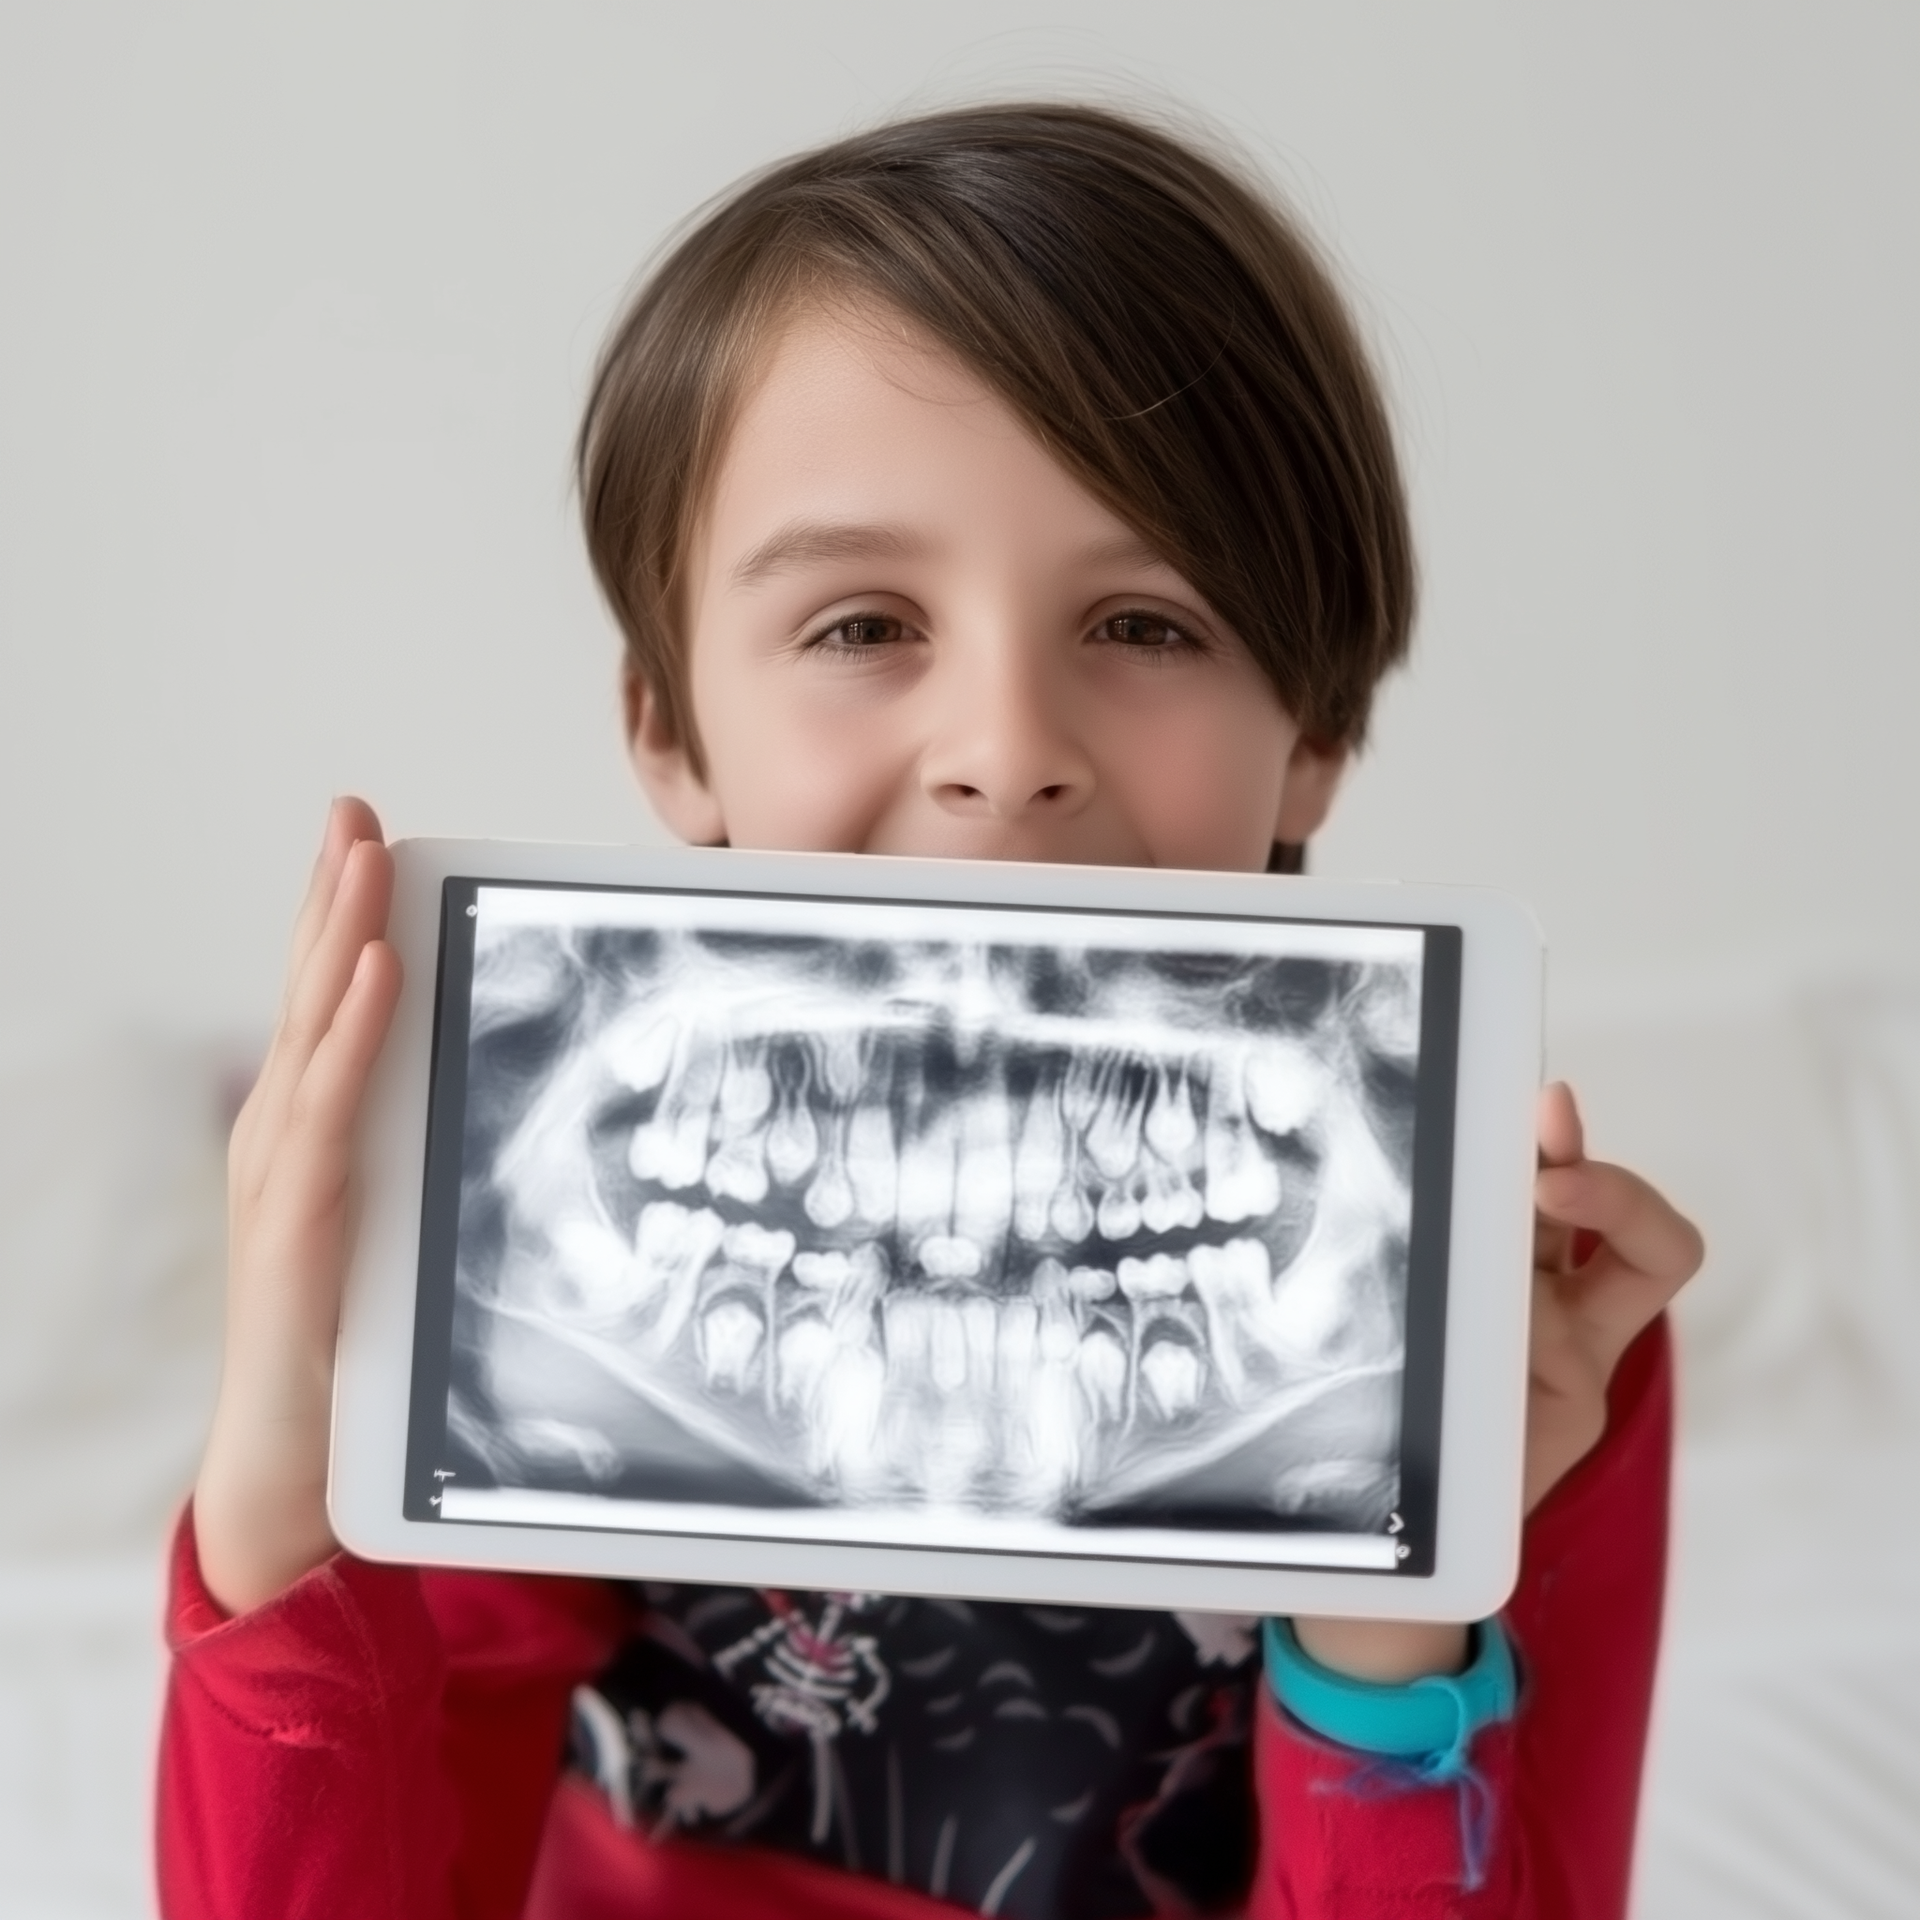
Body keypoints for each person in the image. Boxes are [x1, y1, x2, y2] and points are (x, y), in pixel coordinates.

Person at [159, 103, 1702, 1919]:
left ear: (1321, 731)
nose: (1005, 757)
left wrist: (1389, 1635)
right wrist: (278, 1471)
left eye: (1143, 626)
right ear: (666, 727)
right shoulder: (534, 1243)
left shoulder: (1529, 1350)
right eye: (860, 624)